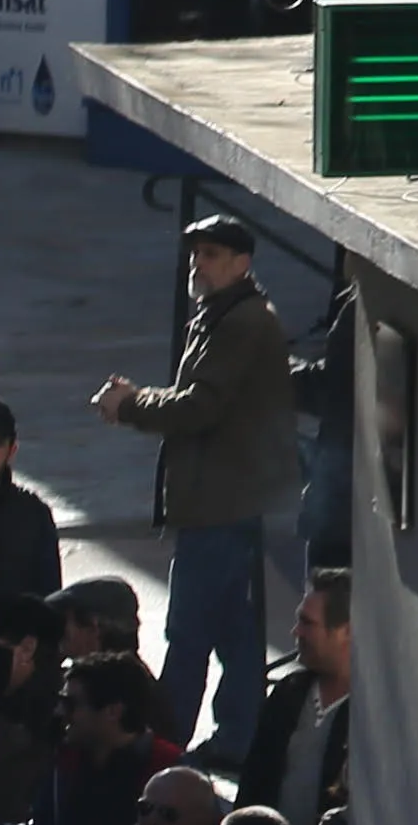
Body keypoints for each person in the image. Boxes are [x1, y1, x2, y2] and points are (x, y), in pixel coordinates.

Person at [93, 215, 300, 758]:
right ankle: (239, 737)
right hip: (225, 501)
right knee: (235, 632)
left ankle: (164, 741)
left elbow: (201, 406)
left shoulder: (242, 322)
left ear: (241, 263)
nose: (197, 264)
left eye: (210, 254)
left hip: (224, 506)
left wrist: (132, 405)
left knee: (188, 634)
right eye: (195, 253)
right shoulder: (221, 315)